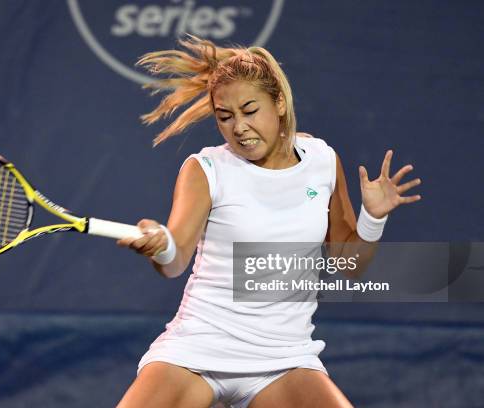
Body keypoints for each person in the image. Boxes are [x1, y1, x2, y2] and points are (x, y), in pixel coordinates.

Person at [116, 36, 421, 408]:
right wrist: (162, 246)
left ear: (278, 102)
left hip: (284, 359)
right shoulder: (206, 168)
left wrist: (373, 217)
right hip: (198, 348)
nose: (238, 127)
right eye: (224, 117)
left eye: (249, 110)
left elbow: (351, 264)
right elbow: (176, 259)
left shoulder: (322, 161)